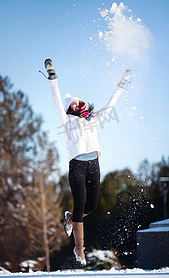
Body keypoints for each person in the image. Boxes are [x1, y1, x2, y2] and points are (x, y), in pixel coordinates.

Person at [43, 59, 131, 266]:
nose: (75, 104)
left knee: (91, 206)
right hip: (77, 166)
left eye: (77, 102)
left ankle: (70, 218)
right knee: (80, 204)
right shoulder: (66, 122)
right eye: (71, 104)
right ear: (68, 108)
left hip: (94, 164)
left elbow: (110, 105)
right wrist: (53, 78)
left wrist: (121, 85)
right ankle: (79, 249)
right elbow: (56, 100)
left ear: (81, 103)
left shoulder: (92, 118)